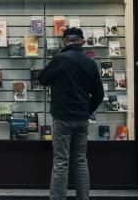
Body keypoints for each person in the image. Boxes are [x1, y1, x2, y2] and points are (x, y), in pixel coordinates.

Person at [39, 27, 104, 200]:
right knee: (80, 161)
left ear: (65, 42)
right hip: (82, 119)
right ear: (82, 42)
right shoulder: (90, 62)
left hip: (62, 118)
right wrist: (87, 111)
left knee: (61, 162)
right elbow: (99, 94)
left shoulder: (60, 59)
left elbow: (43, 79)